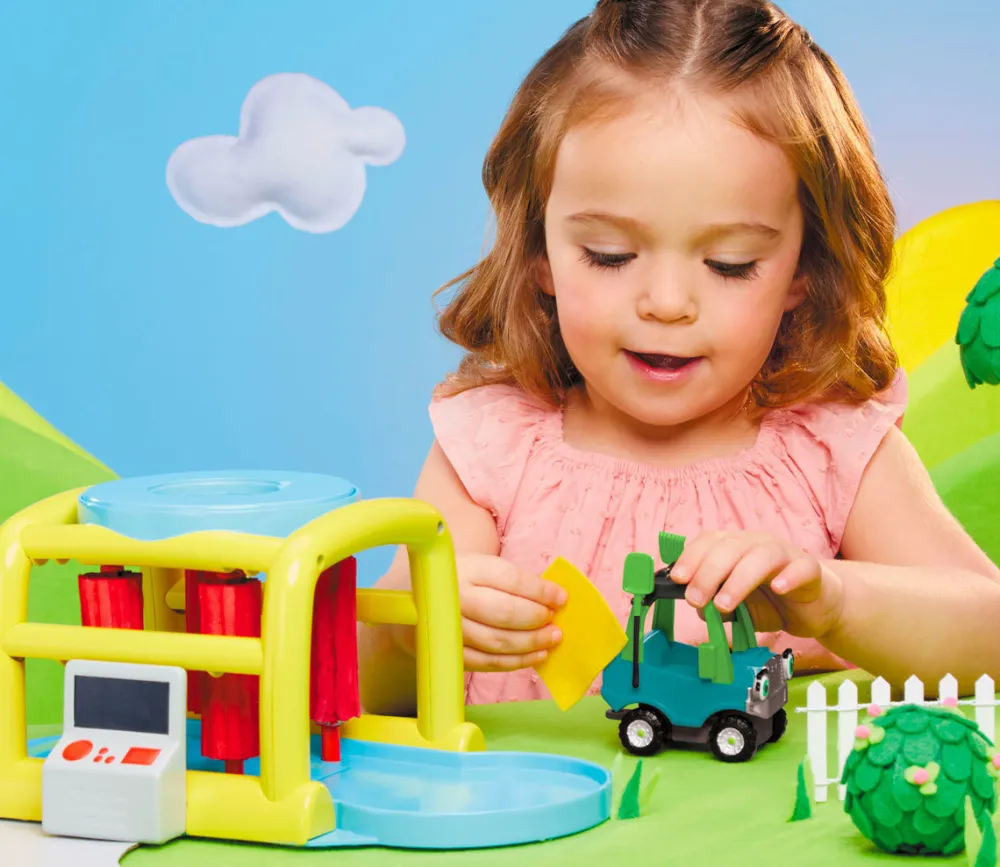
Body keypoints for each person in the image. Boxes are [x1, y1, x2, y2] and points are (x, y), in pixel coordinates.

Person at [359, 0, 1000, 715]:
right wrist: (410, 633)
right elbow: (356, 690)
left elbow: (992, 636)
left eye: (730, 264)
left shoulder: (832, 448)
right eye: (609, 254)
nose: (666, 304)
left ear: (805, 268)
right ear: (539, 250)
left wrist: (839, 600)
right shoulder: (492, 449)